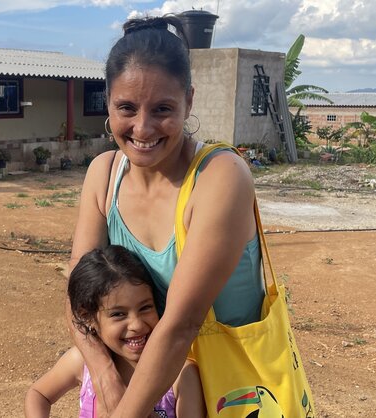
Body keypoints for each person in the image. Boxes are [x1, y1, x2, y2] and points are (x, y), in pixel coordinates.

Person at [67, 15, 263, 417]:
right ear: (107, 103)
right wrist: (106, 378)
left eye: (162, 109)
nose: (143, 128)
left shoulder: (220, 176)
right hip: (154, 396)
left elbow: (181, 324)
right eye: (126, 107)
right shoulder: (104, 176)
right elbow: (78, 300)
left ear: (189, 100)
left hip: (234, 394)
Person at [25, 246, 204, 418]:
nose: (136, 325)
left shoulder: (181, 375)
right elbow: (38, 394)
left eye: (145, 308)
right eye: (118, 314)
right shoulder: (81, 362)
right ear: (88, 318)